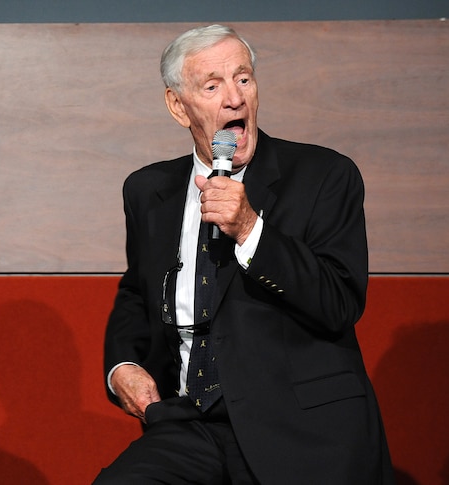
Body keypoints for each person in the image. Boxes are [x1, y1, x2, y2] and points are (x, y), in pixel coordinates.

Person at [95, 25, 393, 484]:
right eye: (212, 86)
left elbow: (340, 303)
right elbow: (138, 291)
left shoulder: (324, 175)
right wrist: (123, 366)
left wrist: (251, 229)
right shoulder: (147, 190)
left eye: (244, 79)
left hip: (303, 428)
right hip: (190, 425)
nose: (234, 99)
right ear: (178, 106)